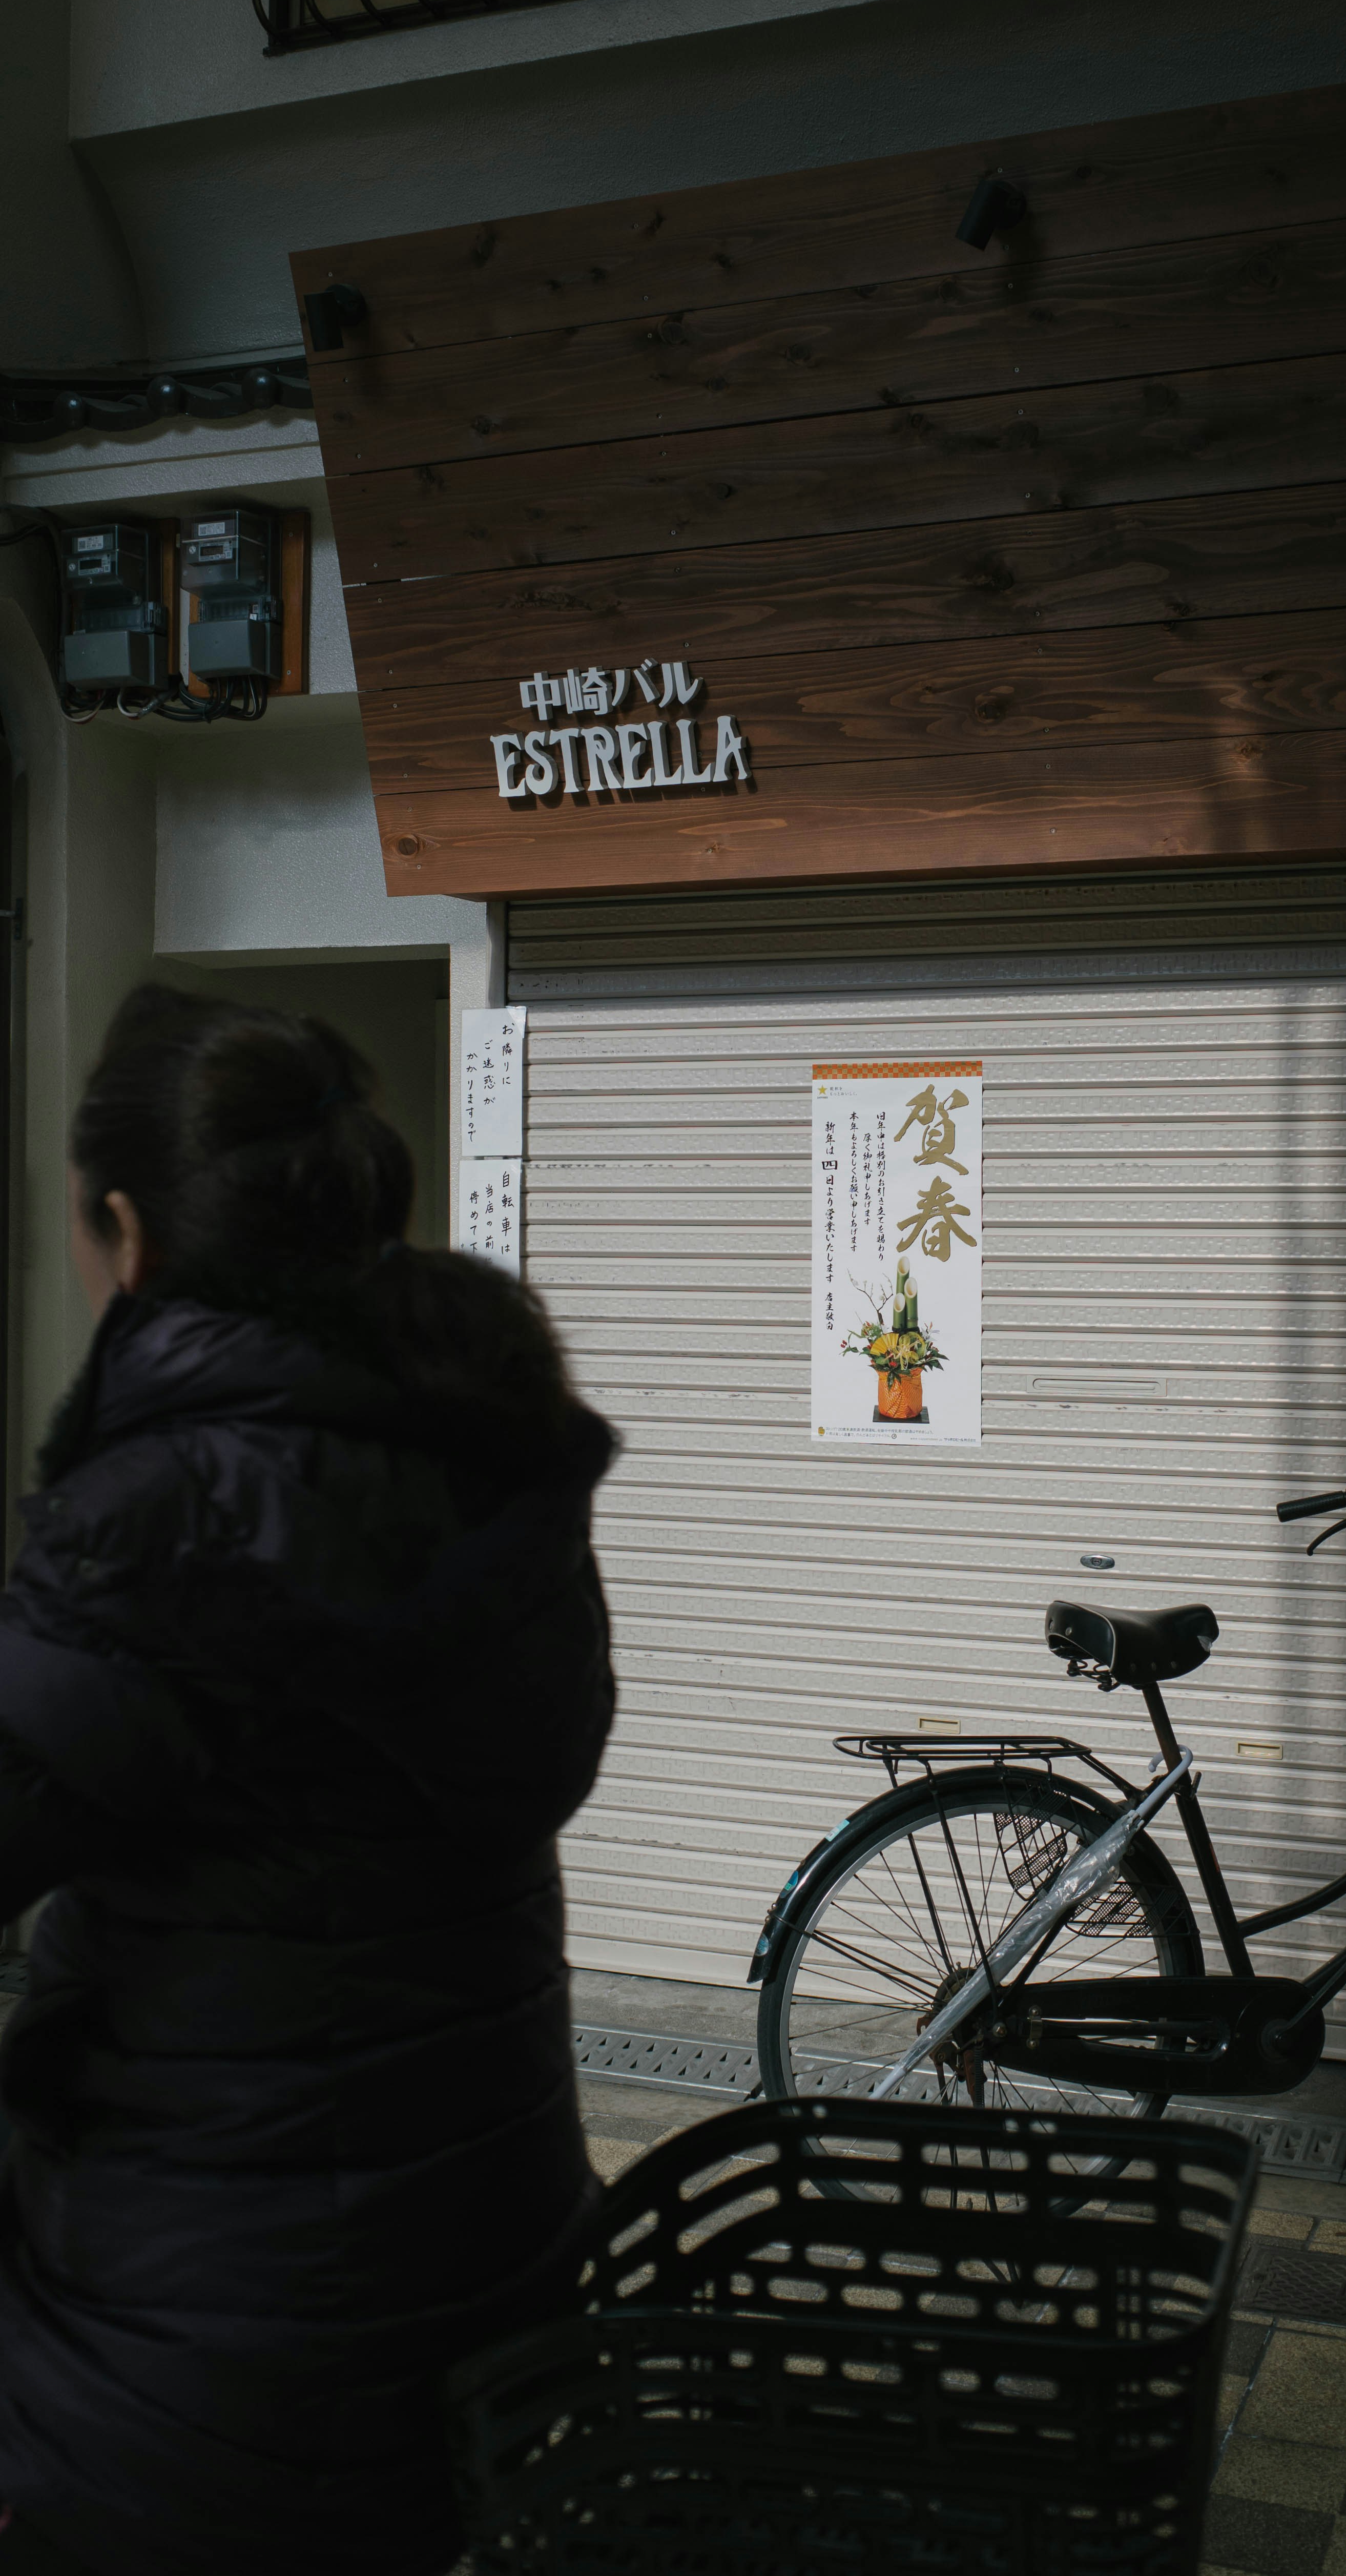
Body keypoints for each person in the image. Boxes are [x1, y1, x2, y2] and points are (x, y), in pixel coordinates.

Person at [0, 987, 615, 2576]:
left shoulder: (167, 1508)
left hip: (209, 2364)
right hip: (494, 2276)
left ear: (124, 1232)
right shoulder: (492, 1447)